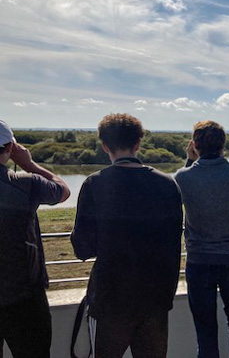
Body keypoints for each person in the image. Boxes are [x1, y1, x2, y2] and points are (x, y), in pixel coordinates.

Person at [71, 114, 183, 358]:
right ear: (138, 143)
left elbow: (82, 247)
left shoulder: (94, 184)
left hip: (111, 298)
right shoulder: (167, 184)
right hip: (155, 298)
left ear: (104, 146)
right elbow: (174, 244)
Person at [174, 120, 229, 358]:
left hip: (199, 262)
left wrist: (190, 160)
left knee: (205, 330)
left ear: (195, 145)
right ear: (223, 145)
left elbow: (176, 195)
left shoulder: (183, 177)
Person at [0, 120, 70, 358]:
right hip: (24, 298)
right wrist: (28, 164)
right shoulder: (26, 183)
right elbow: (62, 190)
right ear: (10, 147)